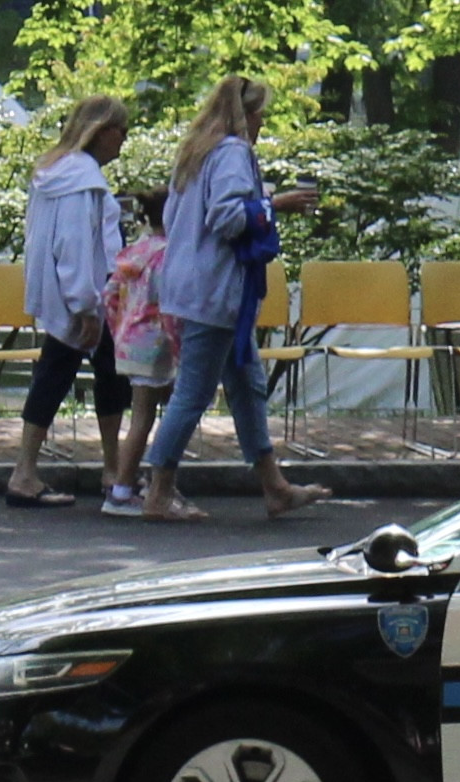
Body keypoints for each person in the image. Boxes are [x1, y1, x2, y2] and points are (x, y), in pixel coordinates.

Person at [138, 75, 327, 522]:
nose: (262, 122)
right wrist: (274, 205)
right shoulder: (232, 153)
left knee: (246, 385)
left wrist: (259, 200)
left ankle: (273, 486)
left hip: (188, 284)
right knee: (194, 392)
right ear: (246, 114)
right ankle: (158, 489)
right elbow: (226, 217)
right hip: (213, 291)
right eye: (260, 113)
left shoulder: (196, 152)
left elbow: (185, 213)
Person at [10, 95, 132, 508]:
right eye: (121, 130)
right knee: (94, 375)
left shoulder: (55, 173)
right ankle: (108, 469)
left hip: (70, 292)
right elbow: (77, 244)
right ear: (101, 131)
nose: (125, 139)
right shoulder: (83, 182)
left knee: (62, 372)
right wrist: (86, 303)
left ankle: (31, 469)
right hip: (88, 295)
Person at [99, 188, 176, 518]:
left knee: (147, 414)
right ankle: (122, 488)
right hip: (158, 344)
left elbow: (110, 294)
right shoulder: (169, 255)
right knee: (147, 418)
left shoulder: (136, 251)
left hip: (131, 342)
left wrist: (119, 330)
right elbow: (170, 303)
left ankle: (148, 482)